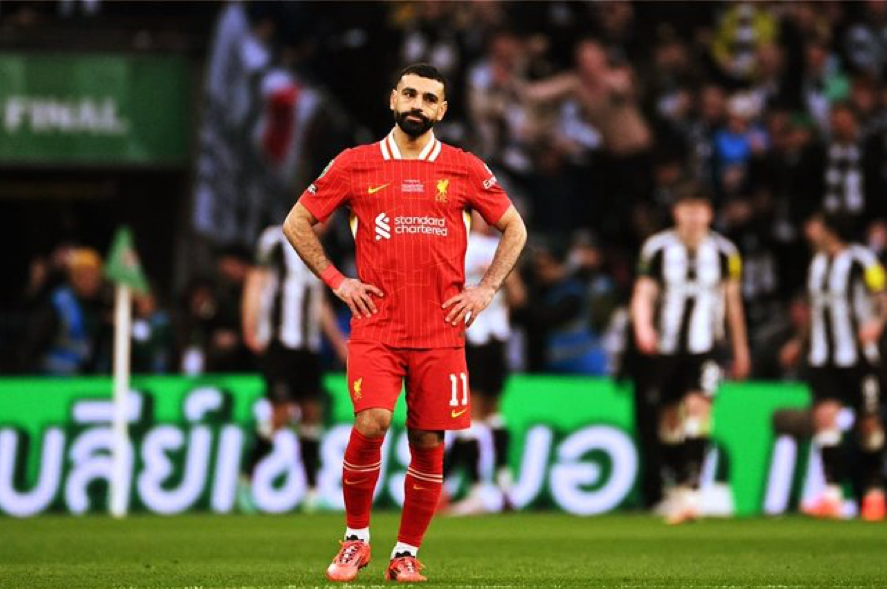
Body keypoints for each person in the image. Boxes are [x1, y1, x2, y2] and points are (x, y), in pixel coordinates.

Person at [283, 63, 526, 582]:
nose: (418, 104)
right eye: (410, 94)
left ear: (443, 109)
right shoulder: (355, 164)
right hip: (377, 327)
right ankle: (355, 539)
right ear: (393, 98)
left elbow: (515, 227)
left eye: (429, 98)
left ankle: (405, 553)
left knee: (429, 441)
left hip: (441, 333)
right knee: (372, 421)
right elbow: (296, 221)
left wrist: (486, 289)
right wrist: (338, 281)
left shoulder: (463, 167)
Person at [630, 183, 750, 524]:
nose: (694, 216)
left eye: (700, 209)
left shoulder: (725, 252)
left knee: (698, 407)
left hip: (707, 346)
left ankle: (692, 491)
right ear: (676, 212)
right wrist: (643, 327)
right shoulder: (657, 248)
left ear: (710, 213)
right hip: (666, 346)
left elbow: (733, 303)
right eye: (688, 208)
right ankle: (675, 487)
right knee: (669, 418)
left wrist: (741, 349)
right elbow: (643, 293)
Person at [237, 224, 347, 514]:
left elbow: (320, 301)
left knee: (312, 414)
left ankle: (311, 492)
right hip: (279, 342)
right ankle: (245, 478)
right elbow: (256, 280)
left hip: (308, 346)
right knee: (281, 413)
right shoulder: (275, 239)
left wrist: (338, 342)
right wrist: (249, 325)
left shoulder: (320, 249)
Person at [795, 212, 886, 521]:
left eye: (815, 226)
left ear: (829, 230)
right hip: (823, 356)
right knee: (824, 418)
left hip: (858, 356)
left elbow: (882, 296)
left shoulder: (863, 260)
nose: (809, 231)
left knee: (869, 422)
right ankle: (832, 493)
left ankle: (874, 493)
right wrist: (800, 343)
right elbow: (813, 309)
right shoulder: (816, 264)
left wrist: (877, 323)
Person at [442, 212, 526, 515]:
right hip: (472, 335)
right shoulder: (461, 245)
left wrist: (502, 279)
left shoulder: (498, 247)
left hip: (490, 339)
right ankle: (493, 488)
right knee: (479, 415)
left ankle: (490, 489)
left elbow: (518, 298)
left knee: (484, 414)